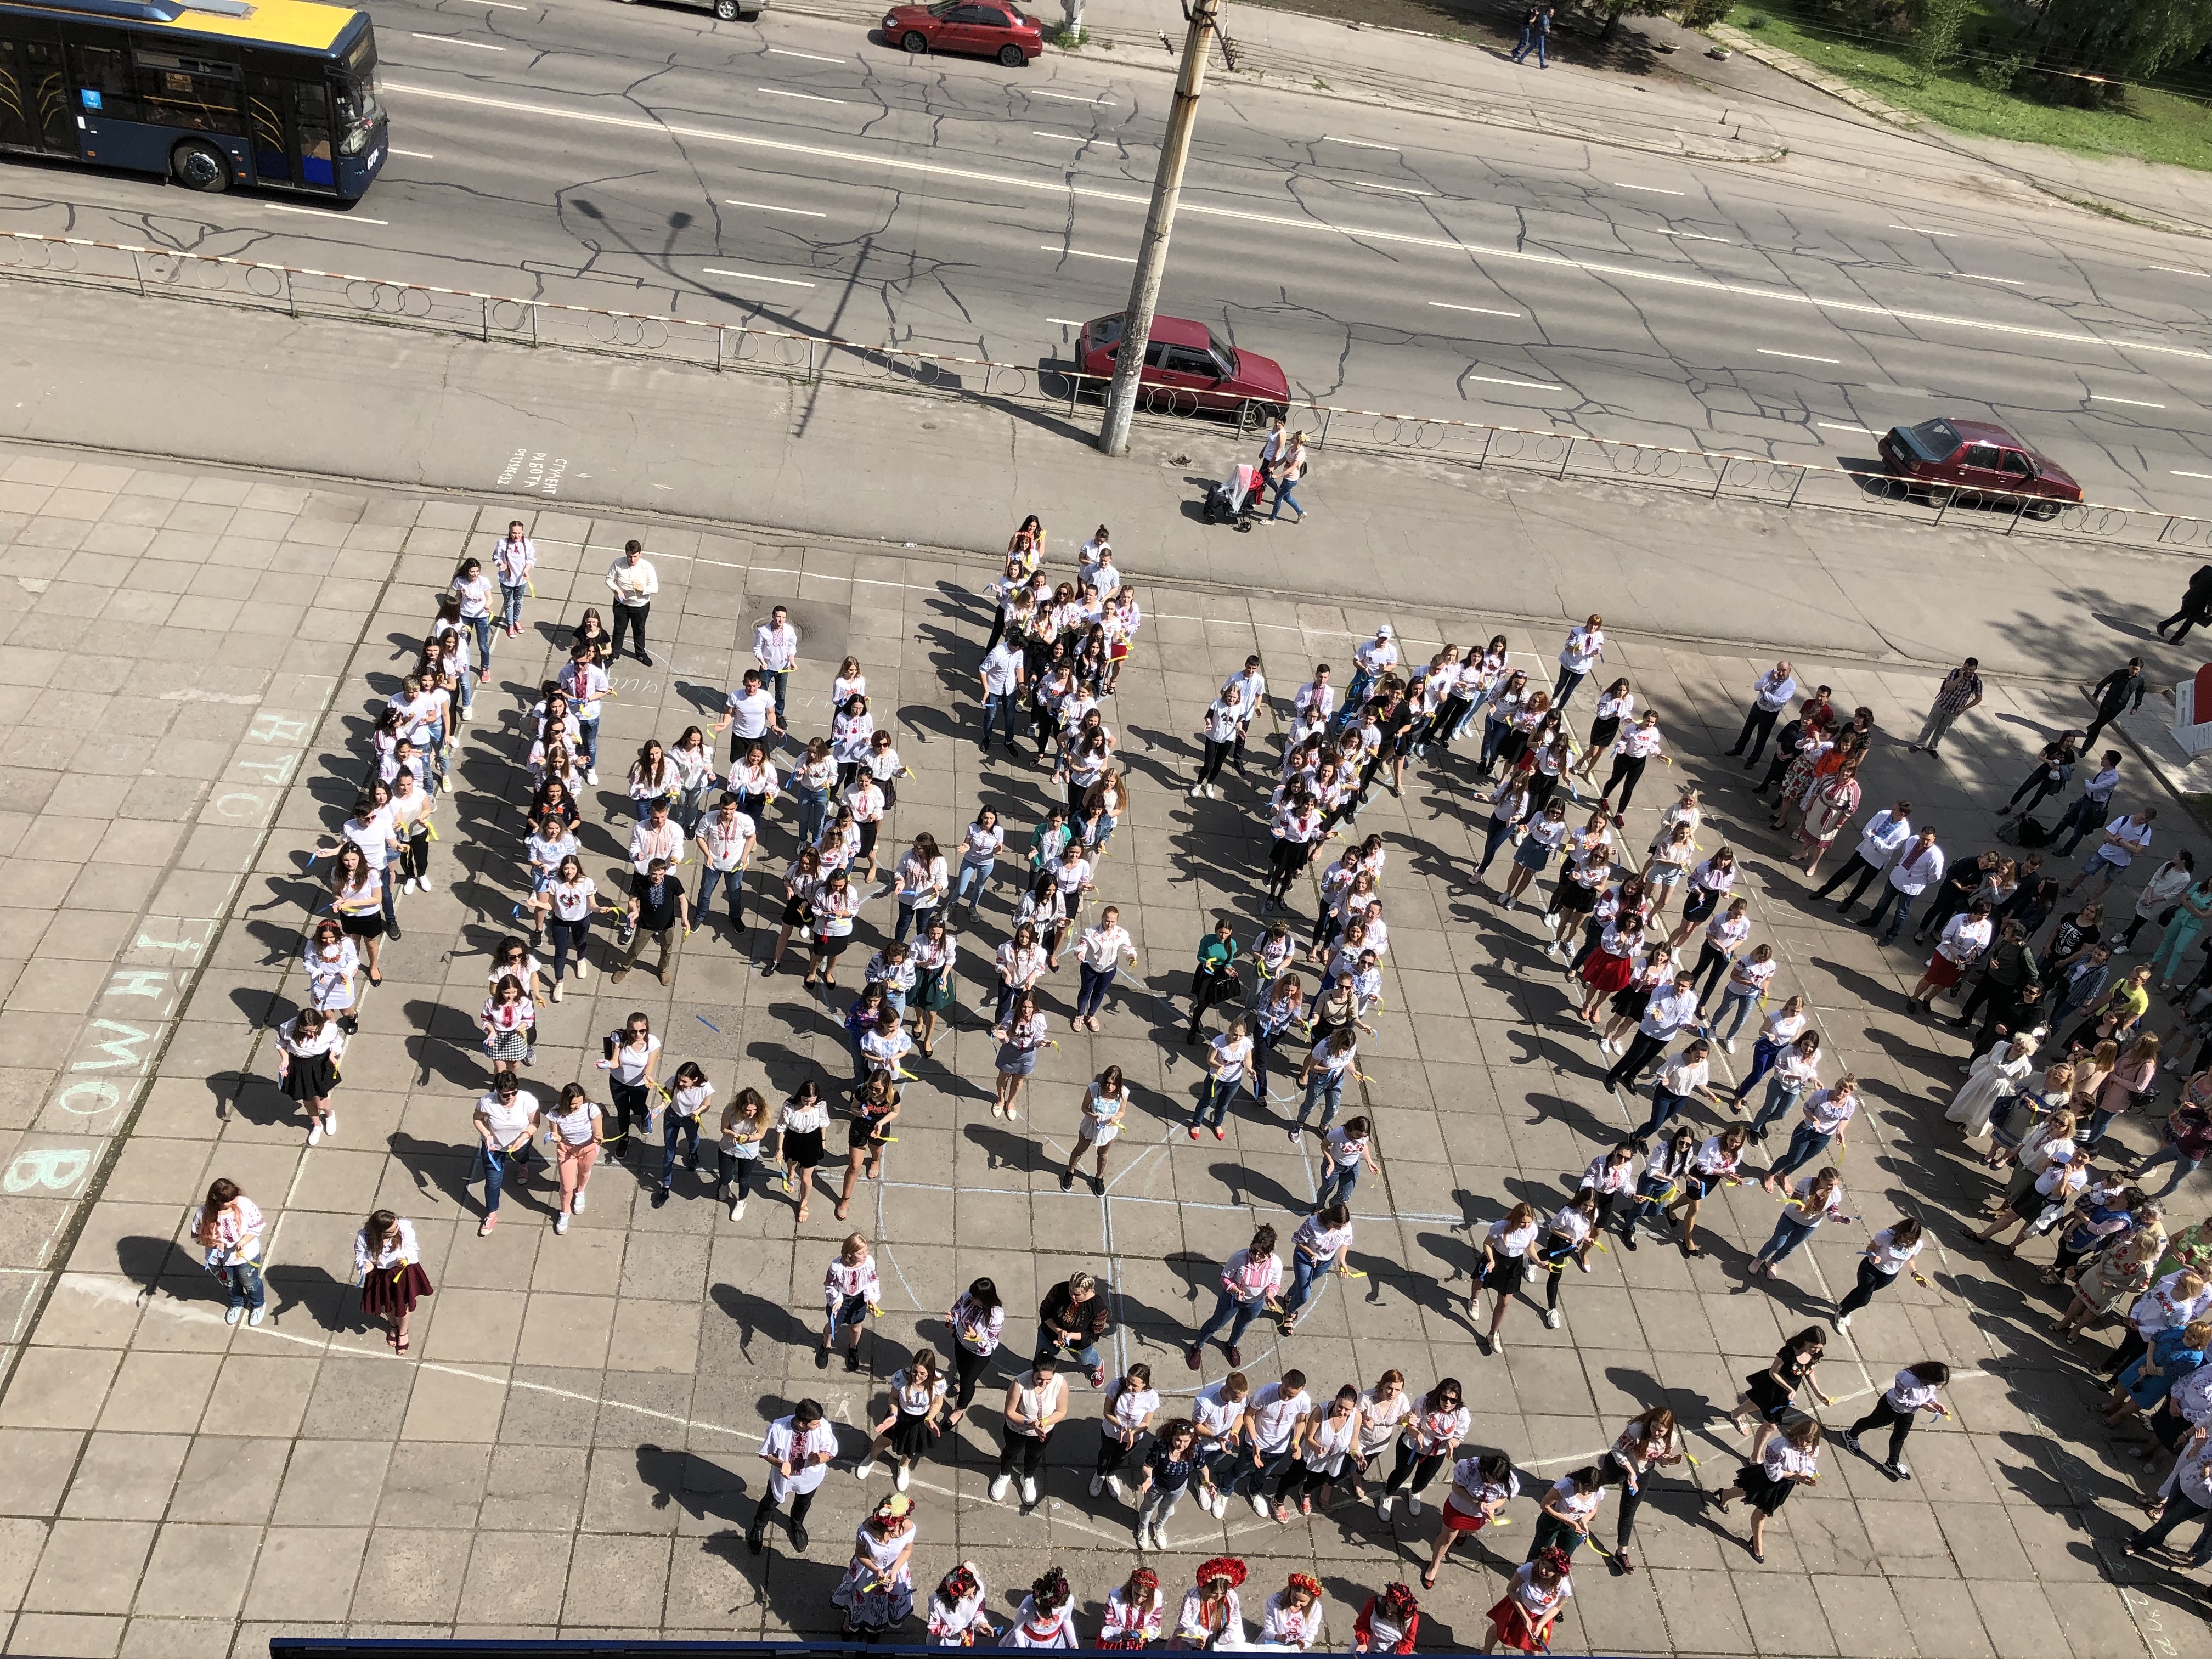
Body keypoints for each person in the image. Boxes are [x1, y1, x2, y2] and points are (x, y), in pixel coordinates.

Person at [1708, 1415, 1821, 1564]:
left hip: (1785, 1485)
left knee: (1760, 1509)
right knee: (1748, 1492)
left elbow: (1809, 1465)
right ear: (1797, 1434)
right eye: (1802, 1439)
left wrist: (1806, 1476)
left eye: (1809, 1442)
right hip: (1767, 1478)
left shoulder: (1813, 1449)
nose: (1804, 1444)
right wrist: (1796, 1476)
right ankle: (1757, 1543)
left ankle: (1725, 1495)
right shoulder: (1779, 1447)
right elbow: (1773, 1473)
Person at [747, 1398, 839, 1554]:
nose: (819, 1425)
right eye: (815, 1424)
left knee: (803, 1503)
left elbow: (831, 1451)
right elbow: (766, 1454)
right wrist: (781, 1464)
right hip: (782, 1478)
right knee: (770, 1502)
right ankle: (758, 1527)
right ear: (802, 1423)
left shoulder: (823, 1426)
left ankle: (796, 1525)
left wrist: (819, 1459)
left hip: (809, 1477)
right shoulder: (778, 1429)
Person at [1729, 1327, 1832, 1459]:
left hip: (1786, 1394)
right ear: (1806, 1341)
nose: (1816, 1351)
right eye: (1814, 1347)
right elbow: (1773, 1373)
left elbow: (1809, 1371)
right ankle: (1755, 1457)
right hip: (1773, 1388)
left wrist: (1818, 1393)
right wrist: (1790, 1389)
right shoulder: (1788, 1353)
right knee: (1770, 1426)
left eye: (1819, 1348)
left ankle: (1735, 1414)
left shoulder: (1815, 1354)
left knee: (1757, 1403)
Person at [1839, 1362, 1951, 1482]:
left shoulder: (1930, 1383)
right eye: (1937, 1383)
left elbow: (1929, 1394)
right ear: (1930, 1376)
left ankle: (1892, 1463)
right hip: (1890, 1407)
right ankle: (1850, 1435)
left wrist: (1934, 1403)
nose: (1936, 1386)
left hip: (1908, 1412)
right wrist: (1922, 1405)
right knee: (1873, 1423)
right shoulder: (1907, 1379)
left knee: (1900, 1437)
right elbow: (1901, 1399)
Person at [1188, 1227, 1280, 1369]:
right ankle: (1197, 1347)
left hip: (1255, 1303)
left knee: (1242, 1325)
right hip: (1232, 1299)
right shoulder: (1239, 1258)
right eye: (1254, 1251)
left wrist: (1270, 1294)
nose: (1256, 1256)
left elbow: (1275, 1283)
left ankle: (1231, 1345)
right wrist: (1235, 1290)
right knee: (1216, 1325)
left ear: (1269, 1252)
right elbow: (1225, 1278)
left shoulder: (1275, 1263)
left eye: (1262, 1254)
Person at [1422, 1450, 1516, 1588]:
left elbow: (1502, 1498)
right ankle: (1434, 1566)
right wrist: (1477, 1503)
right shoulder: (1469, 1467)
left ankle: (1462, 1533)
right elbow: (1456, 1487)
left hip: (1479, 1516)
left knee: (1469, 1531)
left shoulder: (1508, 1480)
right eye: (1489, 1478)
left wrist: (1490, 1508)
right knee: (1447, 1538)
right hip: (1458, 1509)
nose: (1491, 1483)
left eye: (1495, 1482)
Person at [1377, 1379, 1468, 1520]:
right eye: (1444, 1398)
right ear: (1438, 1394)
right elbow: (1409, 1425)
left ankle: (1414, 1492)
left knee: (1424, 1479)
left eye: (1453, 1400)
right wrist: (1417, 1434)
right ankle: (1388, 1495)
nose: (1448, 1403)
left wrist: (1452, 1443)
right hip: (1412, 1446)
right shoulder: (1424, 1403)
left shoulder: (1461, 1414)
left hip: (1436, 1452)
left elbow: (1459, 1436)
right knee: (1401, 1473)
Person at [832, 1492, 918, 1640]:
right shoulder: (866, 1529)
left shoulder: (908, 1527)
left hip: (895, 1573)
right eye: (890, 1528)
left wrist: (894, 1571)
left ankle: (875, 1630)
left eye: (897, 1526)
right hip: (868, 1573)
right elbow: (860, 1553)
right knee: (859, 1601)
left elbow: (907, 1550)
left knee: (883, 1606)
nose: (895, 1532)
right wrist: (876, 1569)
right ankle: (849, 1625)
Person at [990, 1353, 1068, 1508]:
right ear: (1034, 1372)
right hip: (1017, 1430)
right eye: (1040, 1379)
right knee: (1011, 1452)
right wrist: (1031, 1423)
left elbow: (1061, 1411)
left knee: (1034, 1455)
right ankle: (1004, 1474)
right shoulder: (1020, 1383)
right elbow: (1010, 1412)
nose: (1044, 1383)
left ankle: (1027, 1477)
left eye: (1049, 1380)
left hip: (1043, 1432)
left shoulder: (1060, 1383)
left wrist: (1044, 1422)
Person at [863, 1350, 947, 1492]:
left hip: (921, 1420)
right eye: (915, 1371)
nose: (917, 1377)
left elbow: (937, 1403)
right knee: (885, 1439)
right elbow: (893, 1398)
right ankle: (872, 1457)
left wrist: (929, 1418)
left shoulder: (938, 1382)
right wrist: (893, 1415)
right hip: (900, 1415)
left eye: (922, 1374)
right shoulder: (901, 1377)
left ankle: (903, 1466)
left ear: (930, 1371)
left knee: (911, 1448)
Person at [353, 1207, 431, 1353]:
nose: (397, 1228)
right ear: (381, 1232)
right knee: (385, 1304)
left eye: (396, 1224)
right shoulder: (364, 1237)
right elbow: (360, 1256)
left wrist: (406, 1259)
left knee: (403, 1304)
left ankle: (403, 1332)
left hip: (401, 1272)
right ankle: (393, 1325)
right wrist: (365, 1265)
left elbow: (413, 1250)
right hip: (379, 1275)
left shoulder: (404, 1229)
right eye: (393, 1229)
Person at [472, 1074, 541, 1236]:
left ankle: (523, 1166)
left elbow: (535, 1122)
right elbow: (477, 1119)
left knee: (522, 1157)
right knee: (493, 1181)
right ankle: (491, 1215)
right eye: (505, 1095)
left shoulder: (528, 1100)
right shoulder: (486, 1102)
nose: (510, 1097)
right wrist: (487, 1135)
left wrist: (523, 1137)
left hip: (520, 1144)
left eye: (514, 1092)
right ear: (498, 1091)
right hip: (494, 1148)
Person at [192, 1178, 266, 1327]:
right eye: (229, 1202)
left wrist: (243, 1241)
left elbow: (257, 1226)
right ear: (218, 1201)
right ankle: (237, 1303)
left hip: (246, 1257)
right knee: (230, 1284)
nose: (234, 1202)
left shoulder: (244, 1204)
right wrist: (214, 1243)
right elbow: (197, 1237)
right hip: (219, 1261)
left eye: (235, 1197)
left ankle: (258, 1304)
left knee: (250, 1283)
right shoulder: (203, 1214)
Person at [1835, 1216, 1929, 1329]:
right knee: (1864, 1300)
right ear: (1900, 1232)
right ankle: (1842, 1315)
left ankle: (1843, 1305)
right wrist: (1874, 1257)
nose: (1908, 1241)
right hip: (1870, 1269)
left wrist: (1915, 1274)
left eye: (1912, 1239)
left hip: (1889, 1276)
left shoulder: (1917, 1244)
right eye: (1906, 1236)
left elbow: (1909, 1260)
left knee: (1861, 1291)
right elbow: (1870, 1249)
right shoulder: (1886, 1236)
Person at [1470, 1201, 1540, 1352]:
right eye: (1523, 1222)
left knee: (1504, 1303)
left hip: (1514, 1265)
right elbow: (1487, 1244)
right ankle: (1473, 1300)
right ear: (1515, 1218)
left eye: (1529, 1222)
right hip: (1496, 1258)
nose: (1526, 1226)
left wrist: (1539, 1262)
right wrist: (1491, 1260)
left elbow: (1530, 1248)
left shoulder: (1532, 1229)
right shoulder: (1500, 1227)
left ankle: (1493, 1334)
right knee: (1480, 1281)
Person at [1863, 828, 1945, 946]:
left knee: (1901, 912)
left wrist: (1920, 880)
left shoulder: (1935, 855)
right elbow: (1904, 852)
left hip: (1911, 887)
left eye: (1928, 840)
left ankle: (1891, 935)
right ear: (1920, 835)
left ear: (1934, 839)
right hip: (1896, 878)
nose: (1925, 842)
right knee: (1883, 901)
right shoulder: (1912, 840)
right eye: (1923, 838)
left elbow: (1935, 876)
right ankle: (1873, 920)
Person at [1482, 1547, 1572, 1655]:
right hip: (1517, 1609)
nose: (1543, 1570)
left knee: (1532, 1646)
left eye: (1550, 1569)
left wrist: (1541, 1623)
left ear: (1558, 1572)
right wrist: (1525, 1617)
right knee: (1498, 1630)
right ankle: (1485, 1654)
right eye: (1543, 1564)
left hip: (1540, 1618)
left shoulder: (1563, 1585)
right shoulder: (1528, 1569)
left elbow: (1558, 1606)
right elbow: (1511, 1590)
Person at [1092, 1361, 1160, 1502]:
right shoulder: (1116, 1386)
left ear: (1144, 1384)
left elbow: (1146, 1423)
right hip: (1111, 1431)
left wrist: (1133, 1432)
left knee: (1120, 1457)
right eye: (1129, 1381)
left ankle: (1111, 1474)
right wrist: (1120, 1426)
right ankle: (1100, 1474)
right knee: (1105, 1455)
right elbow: (1107, 1412)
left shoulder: (1151, 1397)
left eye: (1134, 1385)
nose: (1129, 1387)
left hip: (1133, 1437)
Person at [275, 1005, 343, 1145]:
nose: (309, 1034)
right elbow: (280, 1044)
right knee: (307, 1099)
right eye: (304, 1030)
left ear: (318, 1024)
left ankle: (329, 1114)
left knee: (320, 1102)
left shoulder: (328, 1029)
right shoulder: (288, 1028)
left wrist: (332, 1055)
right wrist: (285, 1060)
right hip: (299, 1066)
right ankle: (317, 1125)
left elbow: (336, 1042)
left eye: (312, 1030)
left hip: (319, 1064)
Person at [1135, 1418, 1202, 1550]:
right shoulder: (1160, 1448)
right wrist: (1148, 1478)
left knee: (1166, 1509)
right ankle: (1143, 1527)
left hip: (1178, 1488)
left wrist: (1206, 1482)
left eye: (1186, 1441)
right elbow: (1147, 1466)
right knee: (1149, 1507)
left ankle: (1158, 1528)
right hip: (1157, 1487)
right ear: (1171, 1437)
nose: (1181, 1445)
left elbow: (1202, 1467)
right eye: (1178, 1440)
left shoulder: (1195, 1449)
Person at [1063, 1066, 1132, 1196]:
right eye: (1108, 1083)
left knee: (1103, 1155)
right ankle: (1070, 1172)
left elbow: (1122, 1111)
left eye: (1114, 1084)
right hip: (1090, 1126)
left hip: (1108, 1130)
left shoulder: (1123, 1093)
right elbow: (1084, 1107)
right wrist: (1093, 1116)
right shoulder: (1094, 1089)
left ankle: (1099, 1178)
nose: (1110, 1087)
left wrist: (1115, 1118)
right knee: (1080, 1150)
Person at [1035, 1269, 1111, 1387]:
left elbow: (1093, 1334)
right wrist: (1059, 1331)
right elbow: (1045, 1311)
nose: (1072, 1296)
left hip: (1079, 1343)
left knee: (1085, 1360)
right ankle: (1043, 1378)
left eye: (1077, 1294)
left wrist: (1070, 1336)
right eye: (1071, 1290)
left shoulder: (1098, 1308)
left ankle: (1098, 1365)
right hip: (1050, 1334)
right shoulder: (1059, 1289)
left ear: (1089, 1291)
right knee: (1043, 1360)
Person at [544, 1082, 603, 1233]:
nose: (577, 1106)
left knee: (584, 1173)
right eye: (573, 1104)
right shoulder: (555, 1114)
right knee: (566, 1186)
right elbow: (555, 1133)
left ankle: (580, 1192)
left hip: (588, 1148)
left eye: (580, 1102)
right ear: (565, 1102)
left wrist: (598, 1137)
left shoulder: (591, 1109)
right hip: (567, 1150)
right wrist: (555, 1137)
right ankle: (564, 1213)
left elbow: (598, 1130)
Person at [2067, 807, 2158, 904]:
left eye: (2146, 821)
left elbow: (2137, 850)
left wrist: (2119, 839)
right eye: (2142, 818)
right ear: (2140, 812)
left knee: (2108, 881)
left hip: (2122, 861)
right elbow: (2107, 838)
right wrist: (2130, 844)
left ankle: (2091, 901)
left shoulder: (2146, 831)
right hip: (2105, 853)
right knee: (2084, 872)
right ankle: (2070, 890)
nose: (2142, 821)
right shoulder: (2123, 820)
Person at [821, 1233, 881, 1374]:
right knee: (834, 1326)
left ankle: (853, 1348)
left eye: (866, 1251)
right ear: (850, 1254)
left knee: (855, 1328)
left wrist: (871, 1298)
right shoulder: (837, 1267)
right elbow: (829, 1285)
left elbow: (872, 1280)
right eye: (861, 1253)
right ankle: (826, 1345)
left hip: (859, 1300)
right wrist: (837, 1299)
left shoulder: (869, 1263)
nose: (865, 1255)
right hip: (841, 1301)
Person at [2054, 750, 2124, 856]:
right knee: (2068, 817)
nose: (2102, 759)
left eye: (2105, 758)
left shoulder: (2113, 779)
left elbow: (2094, 788)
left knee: (2079, 829)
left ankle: (2067, 850)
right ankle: (2054, 836)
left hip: (2094, 805)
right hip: (2086, 798)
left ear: (2110, 762)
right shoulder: (2104, 771)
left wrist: (2086, 781)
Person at [1909, 656, 1984, 753]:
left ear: (1975, 669)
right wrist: (1960, 678)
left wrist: (1964, 709)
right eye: (1966, 668)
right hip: (1942, 705)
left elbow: (1979, 699)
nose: (1968, 671)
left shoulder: (1976, 682)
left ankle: (1932, 748)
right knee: (1930, 726)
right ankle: (1919, 745)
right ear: (1963, 665)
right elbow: (1948, 687)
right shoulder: (1955, 673)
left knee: (1942, 731)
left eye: (1971, 670)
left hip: (1954, 711)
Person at [1186, 918, 1242, 1042]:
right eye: (1221, 932)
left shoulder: (1232, 944)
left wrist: (1228, 968)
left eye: (1226, 933)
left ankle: (1196, 1020)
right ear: (1216, 930)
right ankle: (1193, 1028)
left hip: (1220, 974)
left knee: (1210, 1001)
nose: (1223, 936)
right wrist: (1205, 961)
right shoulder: (1207, 940)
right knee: (1202, 1004)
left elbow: (1229, 961)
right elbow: (1200, 956)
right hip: (1207, 973)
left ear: (1231, 932)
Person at [1174, 1558, 1248, 1649]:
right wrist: (1197, 1636)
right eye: (1215, 1593)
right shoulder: (1193, 1597)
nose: (1219, 1596)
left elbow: (1235, 1623)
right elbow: (1185, 1623)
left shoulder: (1230, 1598)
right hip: (1193, 1645)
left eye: (1222, 1593)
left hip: (1219, 1641)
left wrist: (1231, 1641)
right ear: (1207, 1588)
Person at [605, 538, 657, 663]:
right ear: (626, 554)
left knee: (639, 629)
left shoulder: (647, 567)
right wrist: (617, 590)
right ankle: (615, 655)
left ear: (640, 554)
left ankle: (640, 653)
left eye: (635, 556)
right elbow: (609, 580)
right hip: (621, 604)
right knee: (619, 629)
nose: (632, 560)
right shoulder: (618, 563)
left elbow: (655, 588)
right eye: (630, 556)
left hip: (640, 605)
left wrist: (642, 589)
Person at [1006, 1567, 1080, 1649]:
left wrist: (1074, 1644)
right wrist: (1023, 1651)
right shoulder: (1028, 1606)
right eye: (1056, 1608)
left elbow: (1066, 1620)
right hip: (1028, 1641)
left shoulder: (1068, 1600)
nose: (1058, 1611)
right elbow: (1018, 1629)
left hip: (1053, 1642)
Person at [2084, 657, 2148, 751]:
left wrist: (2135, 707)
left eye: (2137, 670)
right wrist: (2096, 694)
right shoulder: (2119, 674)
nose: (2134, 671)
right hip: (2108, 702)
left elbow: (2140, 693)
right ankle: (2086, 747)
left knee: (2101, 722)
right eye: (2133, 668)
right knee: (2099, 724)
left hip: (2119, 706)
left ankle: (2092, 727)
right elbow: (2104, 682)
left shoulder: (2140, 680)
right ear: (2129, 666)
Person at [927, 1562, 996, 1647]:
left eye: (974, 1591)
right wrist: (956, 1631)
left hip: (968, 1637)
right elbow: (934, 1627)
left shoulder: (977, 1587)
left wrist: (980, 1622)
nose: (972, 1596)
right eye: (966, 1595)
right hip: (946, 1643)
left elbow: (978, 1608)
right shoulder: (938, 1604)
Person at [753, 603, 800, 725]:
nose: (781, 620)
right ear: (773, 616)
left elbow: (792, 646)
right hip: (767, 668)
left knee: (781, 694)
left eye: (784, 617)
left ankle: (779, 715)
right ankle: (759, 714)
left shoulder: (789, 630)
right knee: (762, 692)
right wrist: (762, 662)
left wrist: (792, 661)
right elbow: (757, 648)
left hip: (783, 668)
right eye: (779, 617)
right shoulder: (763, 631)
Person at [1101, 1566, 1165, 1648]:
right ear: (1132, 1585)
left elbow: (1155, 1624)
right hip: (1115, 1645)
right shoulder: (1115, 1597)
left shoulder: (1156, 1598)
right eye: (1136, 1594)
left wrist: (1144, 1631)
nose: (1139, 1600)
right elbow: (1107, 1625)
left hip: (1138, 1645)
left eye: (1144, 1597)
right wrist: (1123, 1632)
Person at [1257, 1575, 1326, 1650]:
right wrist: (1277, 1637)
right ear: (1290, 1591)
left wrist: (1304, 1643)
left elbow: (1311, 1632)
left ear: (1311, 1600)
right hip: (1272, 1643)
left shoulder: (1315, 1609)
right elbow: (1269, 1628)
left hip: (1294, 1647)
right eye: (1295, 1598)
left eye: (1302, 1601)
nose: (1297, 1604)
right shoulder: (1275, 1601)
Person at [1353, 1583, 1421, 1654]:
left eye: (1394, 1613)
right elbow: (1362, 1625)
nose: (1389, 1613)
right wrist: (1363, 1642)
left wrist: (1400, 1655)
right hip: (1363, 1649)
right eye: (1388, 1607)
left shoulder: (1412, 1620)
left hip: (1388, 1654)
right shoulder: (1373, 1604)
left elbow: (1407, 1642)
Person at [1508, 1, 1553, 65]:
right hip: (1525, 27)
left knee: (1526, 44)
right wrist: (1535, 16)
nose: (1537, 10)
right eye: (1537, 8)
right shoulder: (1530, 12)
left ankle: (1518, 55)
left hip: (1527, 27)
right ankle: (1515, 51)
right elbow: (1531, 22)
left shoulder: (1532, 12)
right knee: (1525, 42)